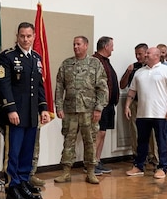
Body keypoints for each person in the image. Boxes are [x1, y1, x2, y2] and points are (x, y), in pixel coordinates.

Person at [0, 22, 51, 199]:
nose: (25, 39)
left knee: (27, 151)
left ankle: (24, 182)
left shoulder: (36, 57)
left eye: (29, 36)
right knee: (14, 152)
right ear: (17, 36)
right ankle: (13, 187)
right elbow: (4, 85)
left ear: (34, 36)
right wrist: (10, 109)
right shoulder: (8, 57)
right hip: (16, 114)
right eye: (22, 36)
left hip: (31, 114)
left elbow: (39, 87)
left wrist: (43, 108)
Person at [53, 36, 108, 184]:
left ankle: (90, 171)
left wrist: (99, 108)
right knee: (68, 141)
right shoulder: (66, 64)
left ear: (86, 46)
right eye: (74, 44)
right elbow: (59, 88)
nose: (75, 47)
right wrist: (58, 107)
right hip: (70, 110)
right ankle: (66, 172)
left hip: (89, 111)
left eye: (78, 44)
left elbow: (102, 88)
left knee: (90, 141)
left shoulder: (95, 64)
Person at [124, 47, 167, 179]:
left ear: (157, 56)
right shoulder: (139, 72)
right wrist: (127, 106)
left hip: (160, 113)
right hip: (143, 113)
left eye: (148, 53)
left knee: (161, 141)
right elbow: (132, 91)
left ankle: (162, 167)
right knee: (141, 141)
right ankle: (139, 166)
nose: (145, 55)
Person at [93, 36, 120, 174]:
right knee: (99, 133)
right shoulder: (95, 61)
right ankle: (92, 163)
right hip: (100, 105)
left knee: (102, 133)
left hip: (108, 105)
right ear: (105, 46)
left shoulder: (106, 61)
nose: (113, 49)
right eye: (112, 46)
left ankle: (97, 160)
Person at [120, 43, 148, 158]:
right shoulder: (134, 67)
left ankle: (151, 156)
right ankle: (137, 155)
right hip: (135, 102)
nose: (137, 56)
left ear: (146, 53)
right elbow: (122, 85)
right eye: (136, 54)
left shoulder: (153, 67)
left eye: (140, 54)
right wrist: (128, 71)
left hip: (148, 104)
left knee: (149, 132)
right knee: (135, 130)